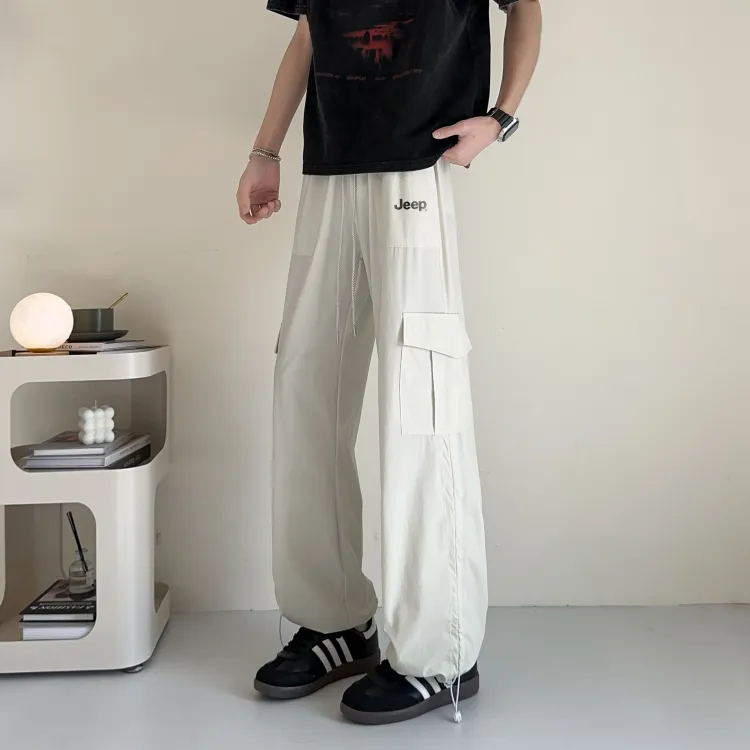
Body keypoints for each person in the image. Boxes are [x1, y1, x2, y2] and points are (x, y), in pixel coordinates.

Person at [237, 0, 542, 725]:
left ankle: (441, 651)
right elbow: (307, 35)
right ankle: (335, 618)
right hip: (329, 169)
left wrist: (501, 117)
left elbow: (527, 6)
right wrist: (264, 151)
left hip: (415, 163)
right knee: (305, 385)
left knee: (421, 398)